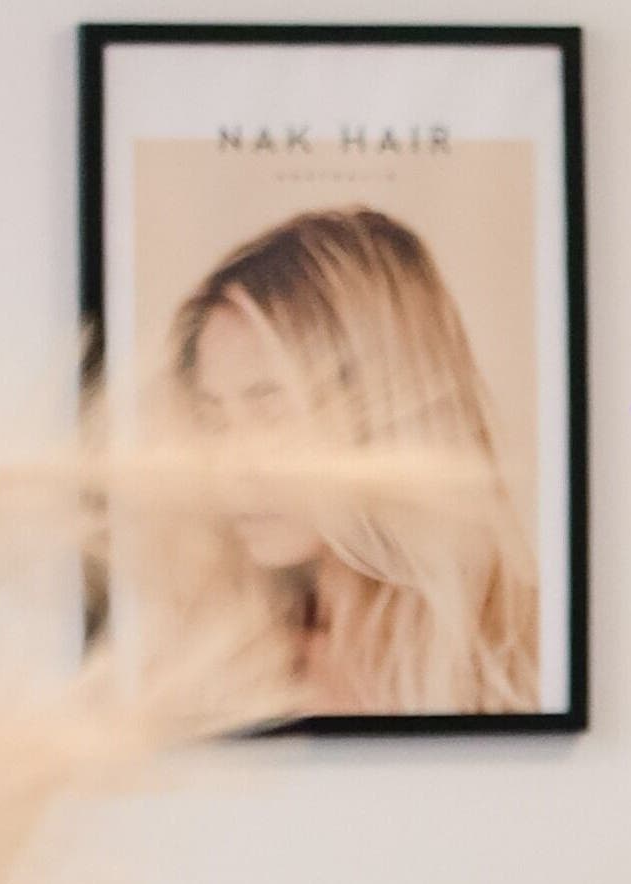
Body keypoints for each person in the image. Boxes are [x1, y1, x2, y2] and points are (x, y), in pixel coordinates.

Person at [160, 205, 539, 717]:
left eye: (272, 412)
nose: (229, 467)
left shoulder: (529, 658)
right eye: (213, 421)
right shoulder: (211, 661)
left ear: (386, 410)